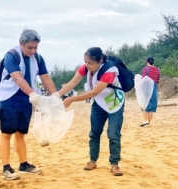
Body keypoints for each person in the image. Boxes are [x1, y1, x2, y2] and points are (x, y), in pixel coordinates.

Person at [53, 47, 125, 176]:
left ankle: (114, 164)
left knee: (113, 133)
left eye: (90, 63)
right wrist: (57, 95)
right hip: (98, 103)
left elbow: (94, 92)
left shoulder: (109, 71)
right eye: (85, 61)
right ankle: (92, 160)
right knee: (94, 132)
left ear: (100, 61)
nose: (87, 65)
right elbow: (71, 84)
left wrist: (72, 99)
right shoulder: (85, 67)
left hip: (114, 103)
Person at [0, 29, 56, 180]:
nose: (33, 51)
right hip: (9, 98)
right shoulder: (11, 56)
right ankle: (6, 168)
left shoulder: (38, 58)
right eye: (30, 47)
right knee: (7, 132)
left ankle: (23, 164)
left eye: (36, 47)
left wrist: (56, 97)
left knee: (21, 133)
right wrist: (32, 94)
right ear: (21, 43)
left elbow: (46, 78)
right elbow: (18, 78)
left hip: (26, 100)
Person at [140, 57, 161, 127]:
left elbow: (143, 79)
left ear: (147, 62)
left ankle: (146, 121)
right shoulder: (158, 70)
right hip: (154, 87)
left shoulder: (146, 69)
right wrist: (159, 91)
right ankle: (148, 122)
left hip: (146, 87)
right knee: (152, 106)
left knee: (143, 104)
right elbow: (158, 82)